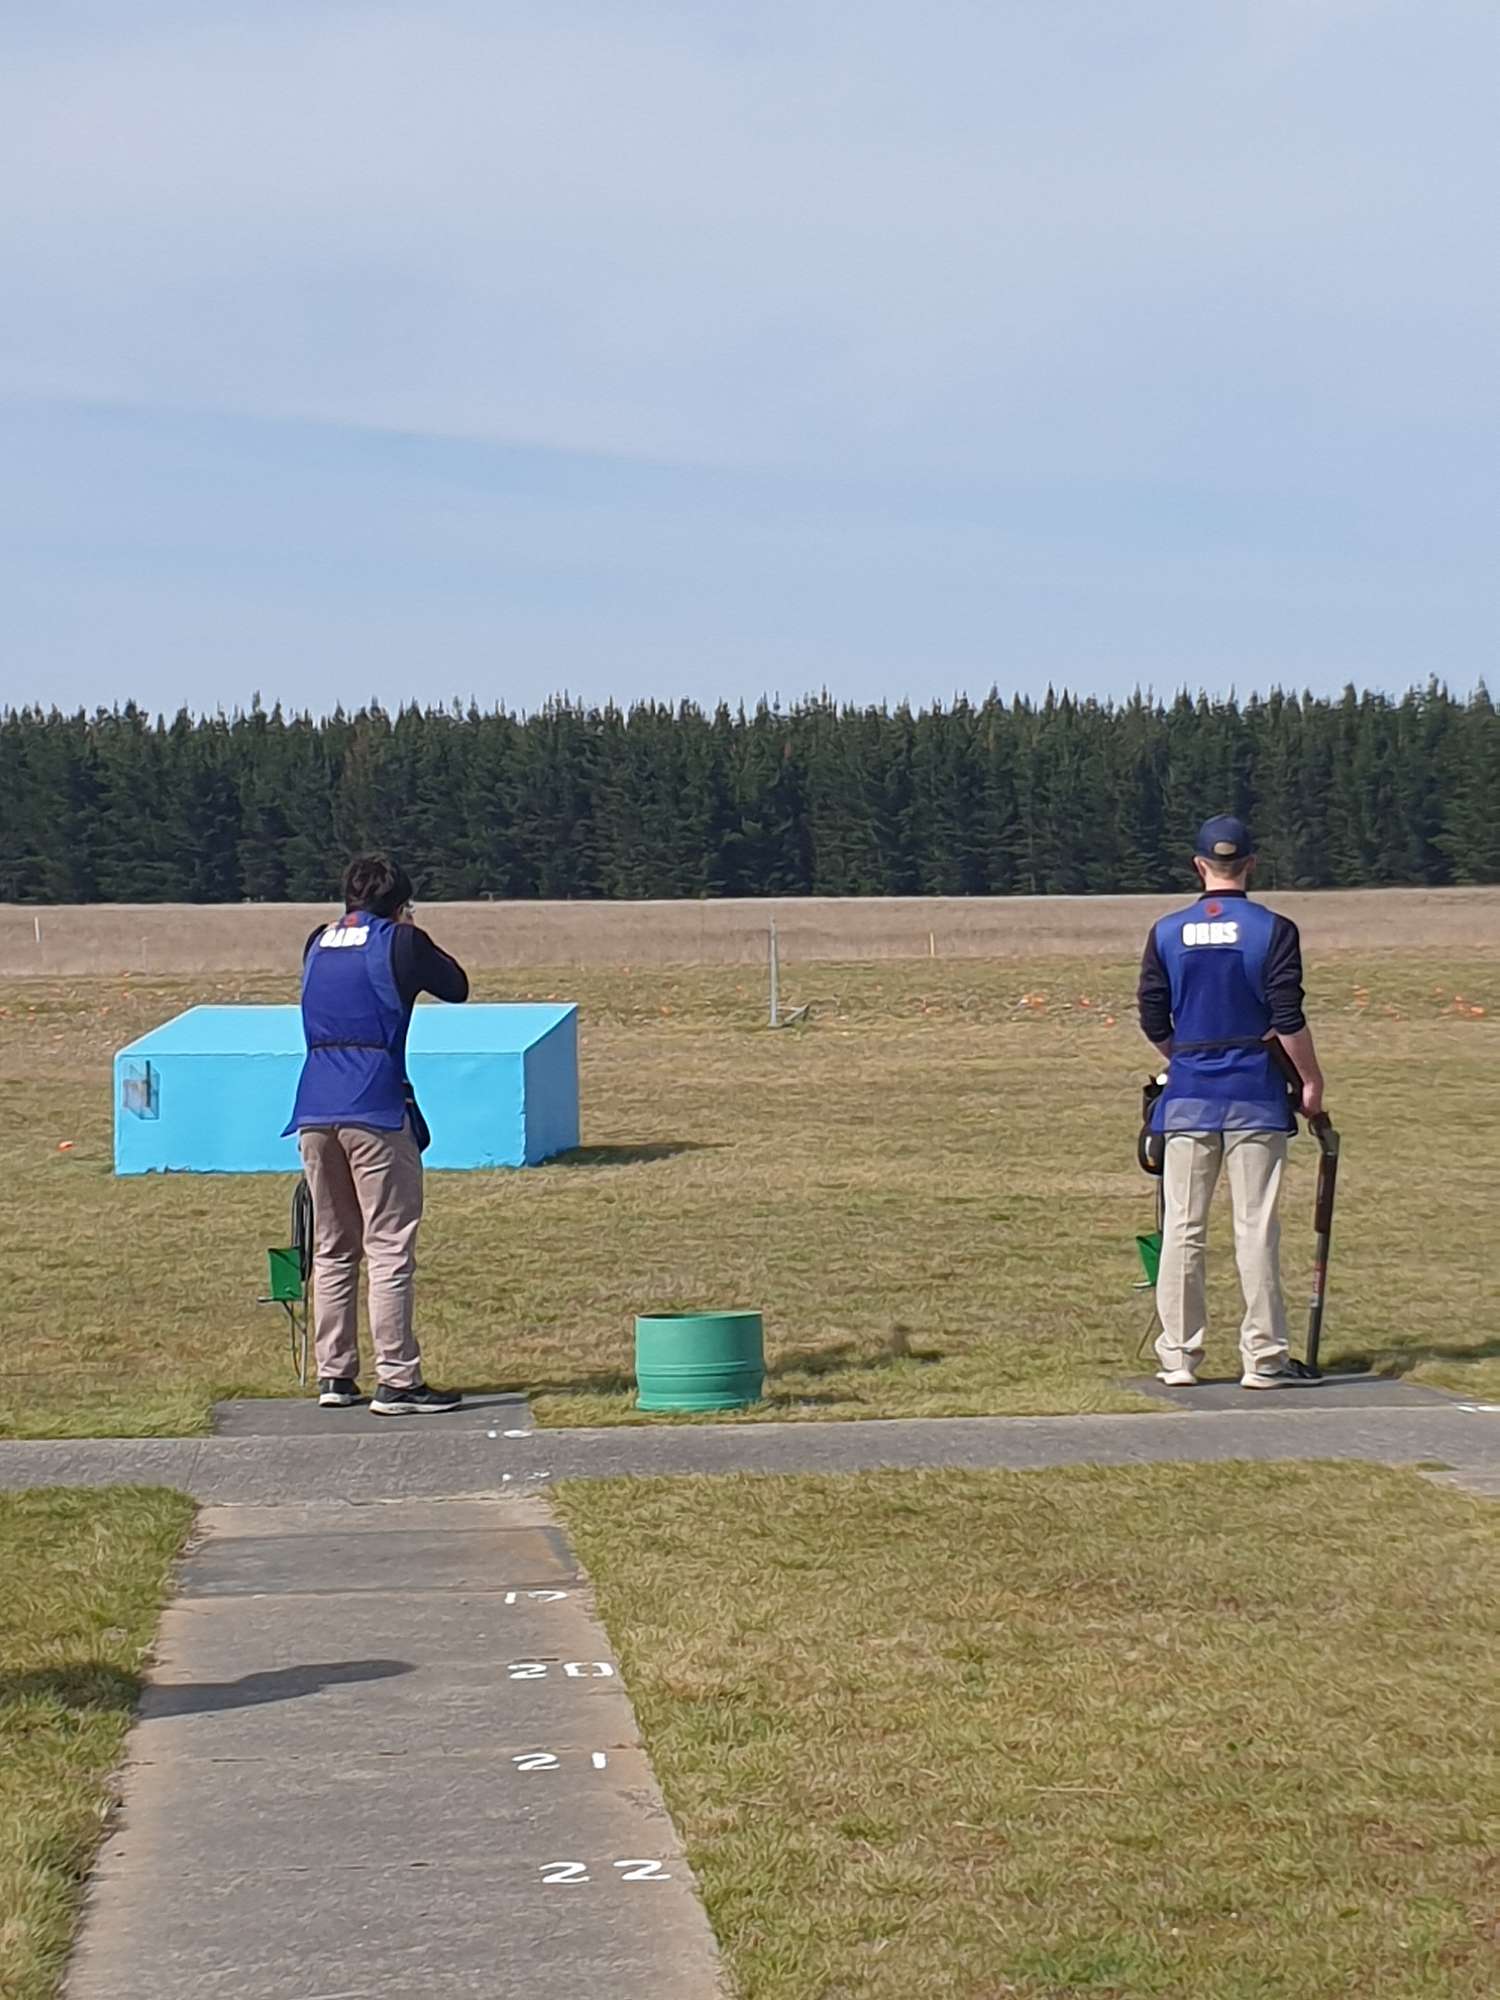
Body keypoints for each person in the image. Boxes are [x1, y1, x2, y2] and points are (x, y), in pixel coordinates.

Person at [1137, 816, 1326, 1390]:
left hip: (1189, 1096)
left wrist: (1186, 1054)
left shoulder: (1167, 931)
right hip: (1255, 1097)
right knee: (1256, 1227)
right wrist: (1311, 1080)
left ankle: (1178, 1357)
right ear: (1250, 865)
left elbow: (1152, 1014)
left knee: (1183, 1227)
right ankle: (1263, 1358)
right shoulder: (1274, 929)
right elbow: (1287, 1017)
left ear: (1199, 866)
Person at [283, 854, 469, 1414]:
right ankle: (398, 1378)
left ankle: (335, 1375)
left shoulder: (317, 941)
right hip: (376, 1105)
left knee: (333, 1247)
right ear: (400, 904)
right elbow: (456, 986)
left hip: (314, 1105)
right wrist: (409, 931)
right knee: (388, 1245)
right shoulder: (401, 942)